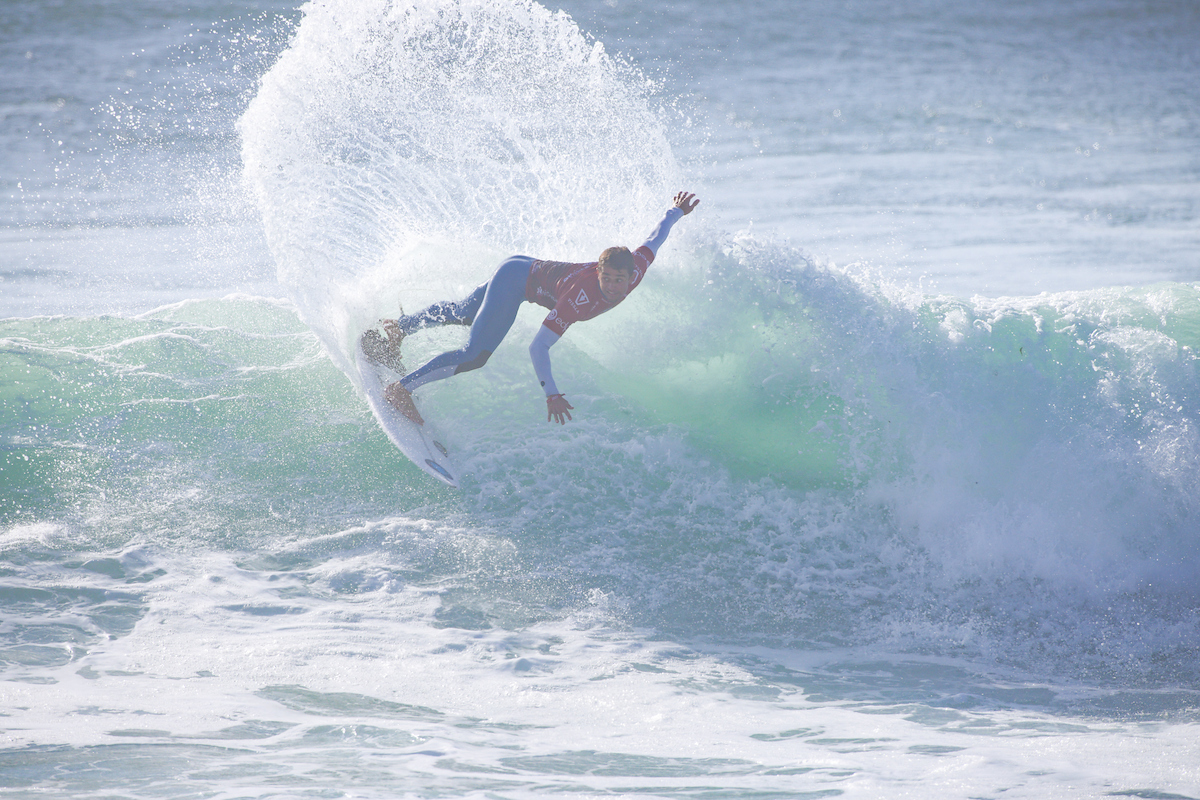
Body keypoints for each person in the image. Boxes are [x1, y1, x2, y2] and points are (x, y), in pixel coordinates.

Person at [363, 191, 700, 426]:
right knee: (475, 354)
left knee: (466, 311)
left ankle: (400, 327)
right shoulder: (580, 297)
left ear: (631, 276)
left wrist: (677, 211)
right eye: (606, 278)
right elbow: (539, 346)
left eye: (618, 280)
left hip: (518, 265)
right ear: (598, 272)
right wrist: (551, 394)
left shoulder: (637, 266)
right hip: (517, 281)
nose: (612, 287)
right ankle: (400, 389)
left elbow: (656, 236)